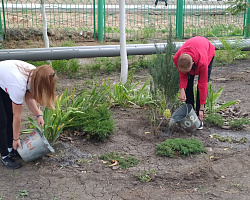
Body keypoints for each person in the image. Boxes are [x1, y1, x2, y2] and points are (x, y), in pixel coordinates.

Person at [0, 60, 57, 169]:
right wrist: (16, 139)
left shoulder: (35, 75)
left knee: (9, 116)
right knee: (2, 121)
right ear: (40, 83)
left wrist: (38, 115)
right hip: (6, 79)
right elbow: (17, 115)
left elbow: (29, 97)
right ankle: (4, 156)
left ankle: (10, 149)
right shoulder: (18, 85)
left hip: (4, 79)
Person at [173, 36, 215, 129]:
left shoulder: (203, 62)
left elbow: (202, 85)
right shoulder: (177, 58)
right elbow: (182, 76)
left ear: (192, 64)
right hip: (194, 52)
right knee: (188, 84)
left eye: (187, 71)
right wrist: (182, 90)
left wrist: (201, 108)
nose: (186, 73)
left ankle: (199, 115)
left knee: (200, 87)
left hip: (206, 51)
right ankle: (190, 113)